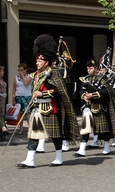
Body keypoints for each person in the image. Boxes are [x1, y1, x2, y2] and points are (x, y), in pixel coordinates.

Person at [16, 34, 79, 168]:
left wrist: (41, 93)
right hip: (37, 109)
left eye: (39, 60)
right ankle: (30, 159)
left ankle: (59, 157)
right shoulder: (37, 74)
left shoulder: (53, 72)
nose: (37, 62)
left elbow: (57, 91)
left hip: (50, 109)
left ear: (46, 61)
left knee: (55, 135)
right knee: (33, 135)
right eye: (37, 60)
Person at [74, 58, 115, 157]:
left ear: (96, 68)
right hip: (88, 108)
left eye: (91, 68)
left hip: (100, 108)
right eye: (87, 68)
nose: (88, 70)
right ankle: (81, 150)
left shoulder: (103, 79)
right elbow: (81, 90)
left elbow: (106, 92)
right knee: (85, 129)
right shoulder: (86, 79)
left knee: (103, 129)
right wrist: (84, 96)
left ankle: (106, 147)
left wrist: (93, 95)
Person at [12, 63, 33, 135]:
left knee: (27, 113)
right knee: (20, 114)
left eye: (21, 70)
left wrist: (23, 77)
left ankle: (30, 129)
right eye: (19, 70)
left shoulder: (29, 76)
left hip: (27, 96)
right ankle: (21, 129)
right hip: (19, 96)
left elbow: (26, 84)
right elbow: (14, 89)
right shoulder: (16, 77)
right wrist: (13, 99)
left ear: (25, 70)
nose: (20, 71)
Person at [0, 65, 10, 136]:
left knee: (1, 114)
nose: (3, 72)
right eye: (2, 71)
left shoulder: (2, 79)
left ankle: (2, 131)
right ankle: (4, 128)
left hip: (3, 100)